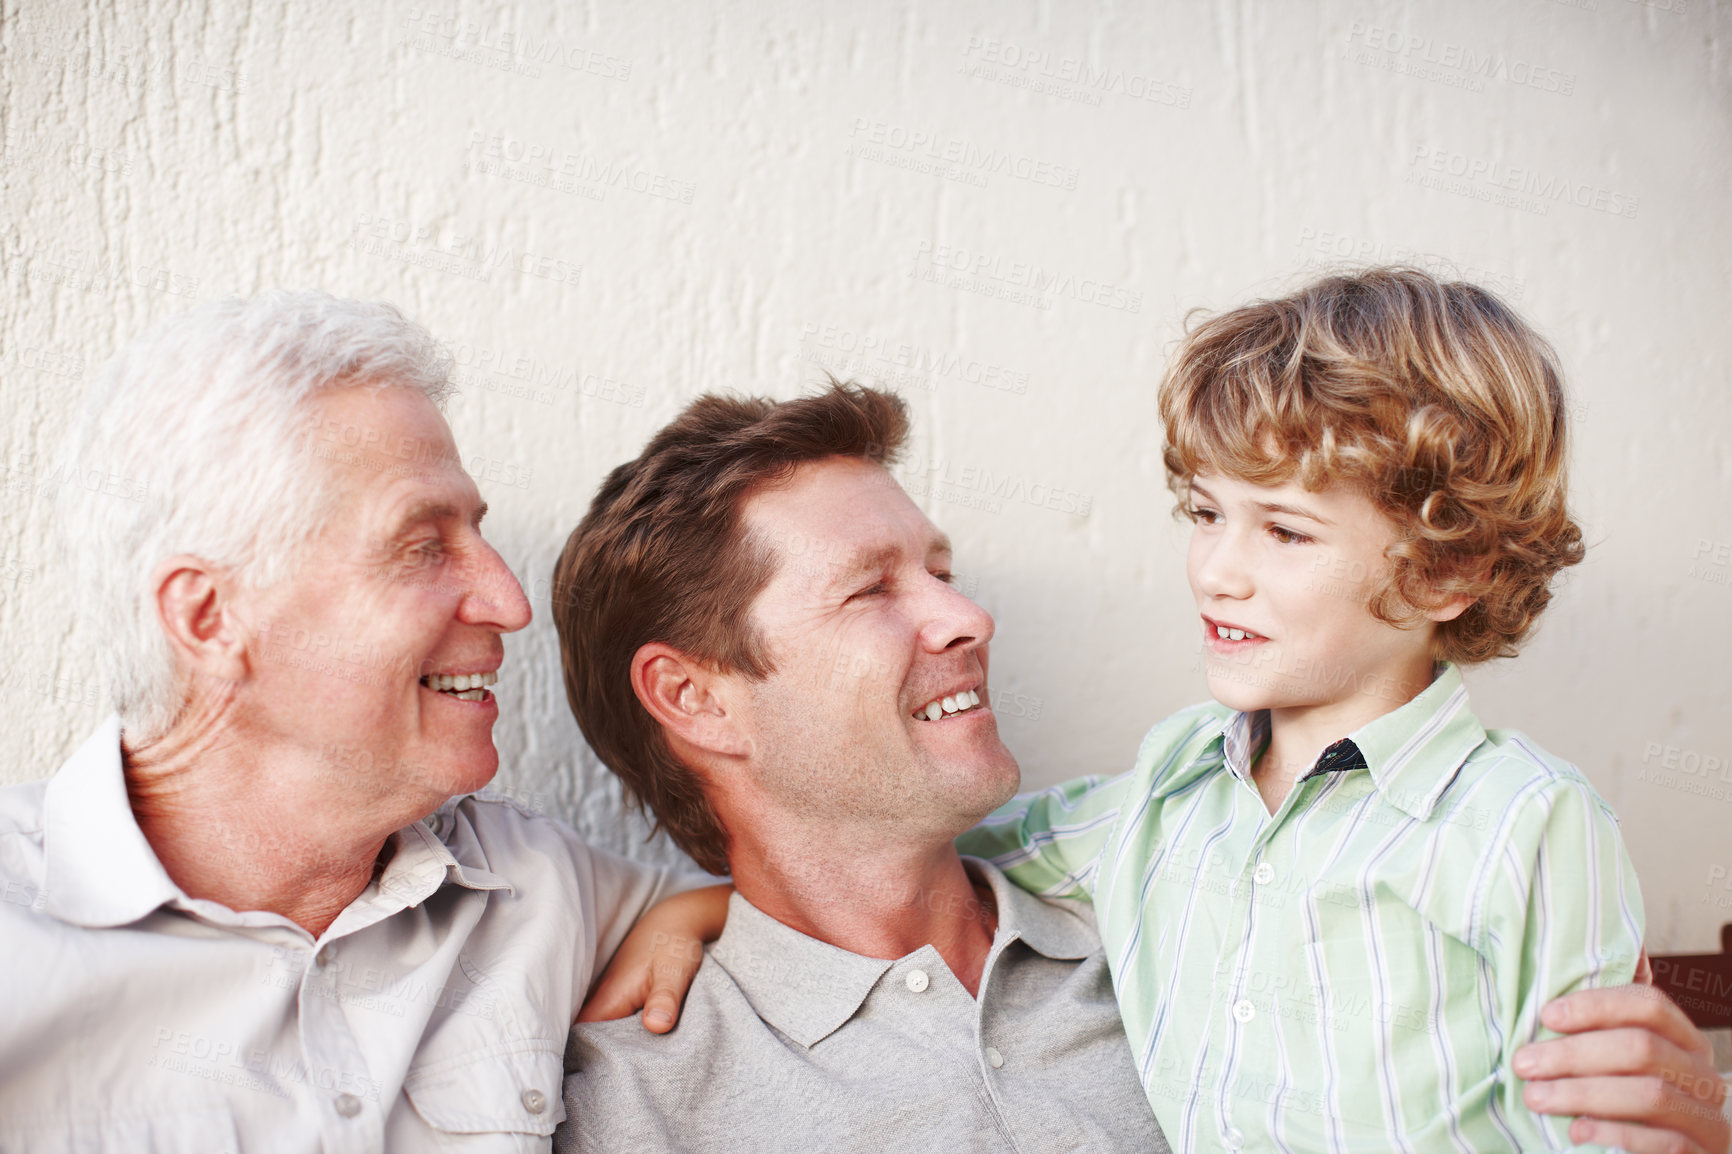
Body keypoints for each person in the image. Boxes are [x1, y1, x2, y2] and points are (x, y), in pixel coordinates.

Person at [553, 381, 1729, 1153]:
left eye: (943, 568)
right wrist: (718, 911)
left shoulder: (1189, 909)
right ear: (694, 697)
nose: (968, 615)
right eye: (874, 586)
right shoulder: (640, 1094)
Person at [957, 268, 1730, 1152]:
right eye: (1206, 512)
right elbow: (963, 849)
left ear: (1446, 571)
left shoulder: (1531, 823)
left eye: (1284, 530)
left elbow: (1597, 1129)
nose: (1215, 571)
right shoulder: (1170, 781)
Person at [0, 292, 720, 1150]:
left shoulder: (538, 888)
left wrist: (694, 914)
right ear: (209, 619)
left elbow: (810, 912)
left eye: (475, 533)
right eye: (422, 545)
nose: (510, 602)